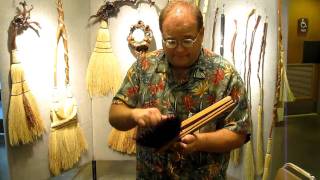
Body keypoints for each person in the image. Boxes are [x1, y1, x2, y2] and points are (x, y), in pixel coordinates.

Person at [109, 1, 250, 179]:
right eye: (171, 41)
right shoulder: (143, 66)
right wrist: (135, 115)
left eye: (187, 40)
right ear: (162, 36)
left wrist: (200, 142)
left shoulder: (224, 74)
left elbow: (239, 133)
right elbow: (115, 114)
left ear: (201, 34)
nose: (180, 49)